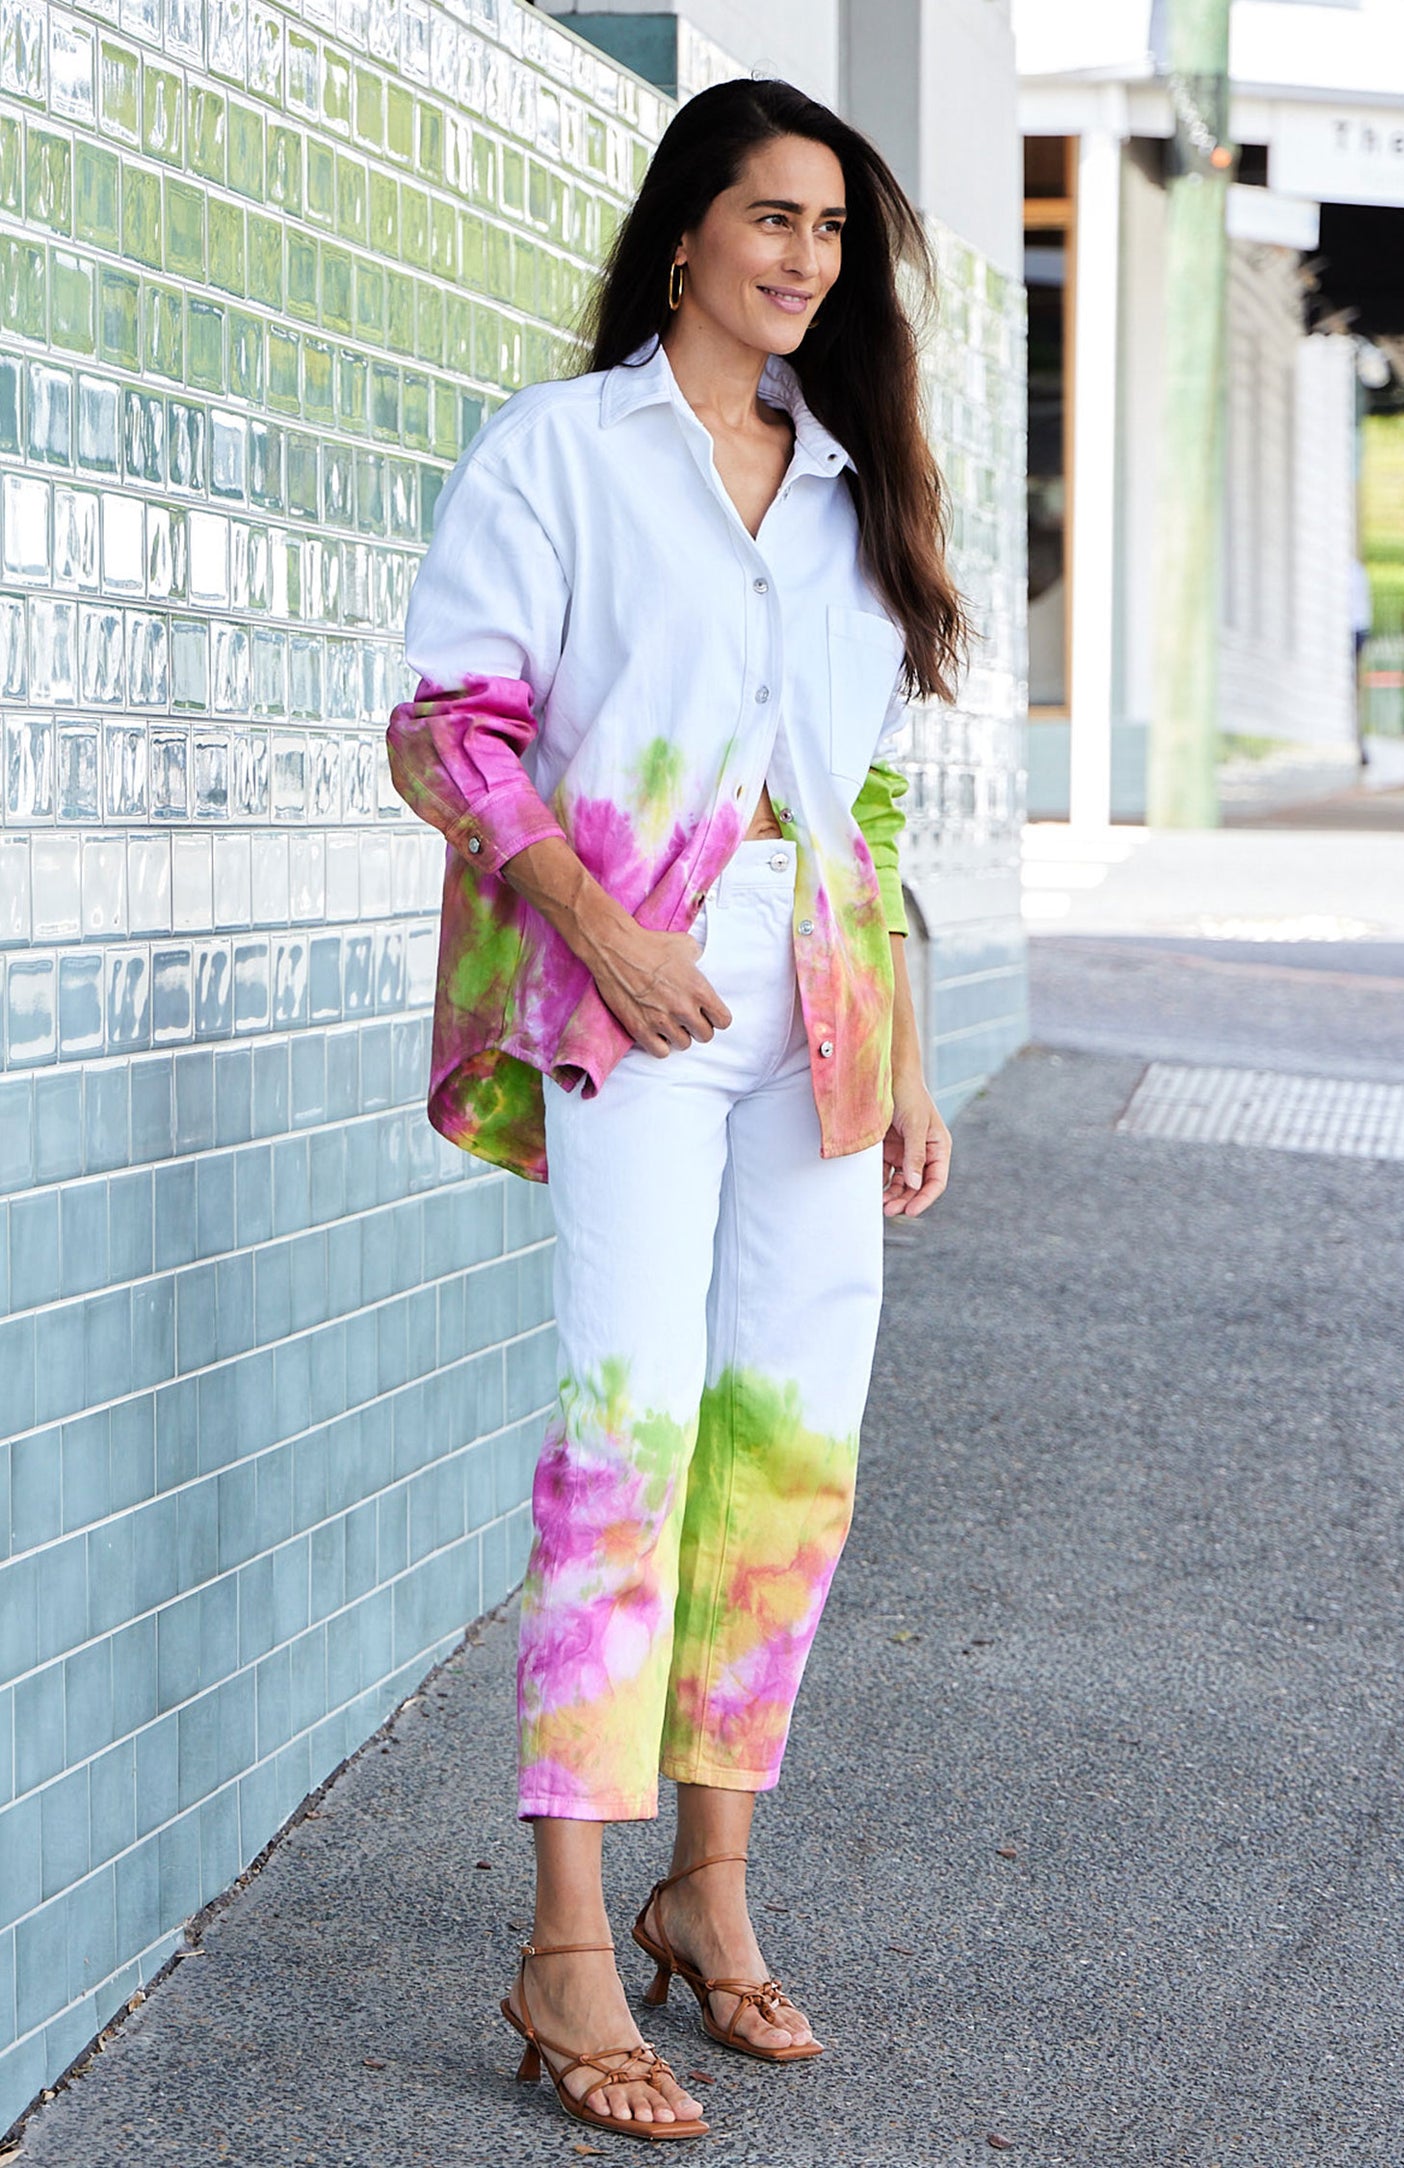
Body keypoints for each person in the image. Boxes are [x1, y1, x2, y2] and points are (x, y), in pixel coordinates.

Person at [387, 74, 966, 2143]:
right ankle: (560, 1940)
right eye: (774, 218)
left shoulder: (846, 481)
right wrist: (593, 929)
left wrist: (901, 1033)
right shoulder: (566, 451)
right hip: (632, 1007)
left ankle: (705, 1891)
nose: (806, 259)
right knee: (623, 1433)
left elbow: (869, 796)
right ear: (689, 232)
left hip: (815, 1006)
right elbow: (448, 729)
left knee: (788, 1454)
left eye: (832, 231)